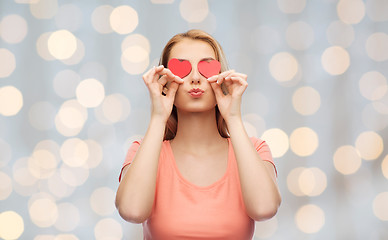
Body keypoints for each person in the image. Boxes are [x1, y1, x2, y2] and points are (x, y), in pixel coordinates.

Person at [115, 29, 281, 240]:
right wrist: (158, 116)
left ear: (221, 76)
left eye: (206, 67)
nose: (195, 78)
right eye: (181, 69)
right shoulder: (143, 150)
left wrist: (234, 118)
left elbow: (265, 208)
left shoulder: (255, 149)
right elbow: (132, 211)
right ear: (165, 80)